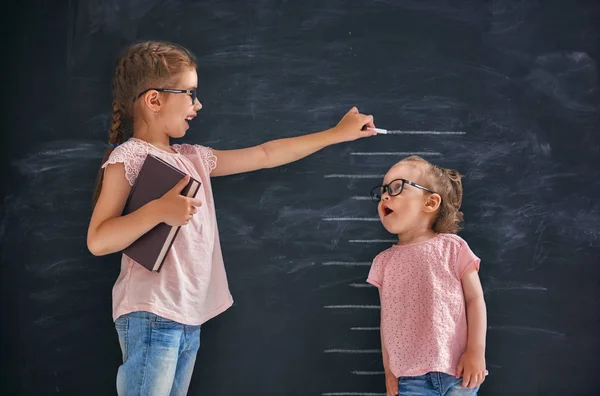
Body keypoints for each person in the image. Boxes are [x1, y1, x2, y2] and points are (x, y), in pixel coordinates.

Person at [86, 40, 376, 396]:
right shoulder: (129, 157)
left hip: (189, 316)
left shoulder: (194, 158)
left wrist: (336, 134)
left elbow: (266, 154)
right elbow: (99, 239)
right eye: (190, 93)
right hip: (151, 313)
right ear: (154, 100)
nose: (198, 104)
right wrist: (158, 210)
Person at [366, 155, 487, 396]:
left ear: (430, 203)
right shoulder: (384, 262)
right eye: (382, 191)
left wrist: (476, 351)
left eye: (396, 187)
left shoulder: (454, 247)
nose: (385, 197)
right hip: (410, 378)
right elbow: (386, 323)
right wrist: (389, 371)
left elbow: (475, 300)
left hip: (459, 372)